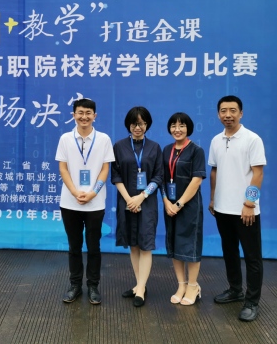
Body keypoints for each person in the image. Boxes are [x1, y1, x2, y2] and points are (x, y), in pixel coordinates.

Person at [208, 95, 266, 322]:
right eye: (223, 111)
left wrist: (249, 204)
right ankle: (235, 290)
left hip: (245, 210)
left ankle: (252, 302)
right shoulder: (216, 140)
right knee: (229, 252)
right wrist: (213, 199)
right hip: (222, 209)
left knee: (252, 257)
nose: (228, 115)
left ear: (241, 113)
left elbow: (258, 173)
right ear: (218, 114)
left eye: (233, 110)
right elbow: (214, 171)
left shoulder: (252, 139)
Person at [55, 98, 115, 305]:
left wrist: (92, 193)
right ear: (73, 115)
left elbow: (105, 169)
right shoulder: (65, 139)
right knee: (74, 246)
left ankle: (93, 286)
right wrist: (74, 192)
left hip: (95, 203)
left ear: (94, 116)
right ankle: (74, 285)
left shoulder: (104, 139)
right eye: (80, 113)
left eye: (88, 113)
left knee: (93, 246)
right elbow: (63, 168)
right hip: (69, 202)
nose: (84, 117)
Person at [111, 106, 163, 307]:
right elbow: (115, 175)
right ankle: (139, 284)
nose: (137, 127)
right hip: (126, 202)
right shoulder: (119, 146)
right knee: (133, 243)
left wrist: (141, 197)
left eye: (141, 123)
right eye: (134, 124)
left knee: (145, 244)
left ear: (147, 124)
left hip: (147, 203)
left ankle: (141, 288)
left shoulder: (155, 147)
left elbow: (158, 176)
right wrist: (129, 200)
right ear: (128, 125)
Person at [162, 112, 206, 306]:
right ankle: (181, 285)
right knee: (175, 245)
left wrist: (179, 204)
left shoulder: (196, 151)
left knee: (190, 246)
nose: (177, 129)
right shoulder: (166, 150)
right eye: (173, 125)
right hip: (170, 206)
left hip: (189, 207)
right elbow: (161, 178)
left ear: (188, 128)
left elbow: (196, 180)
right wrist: (166, 201)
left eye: (181, 125)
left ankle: (193, 286)